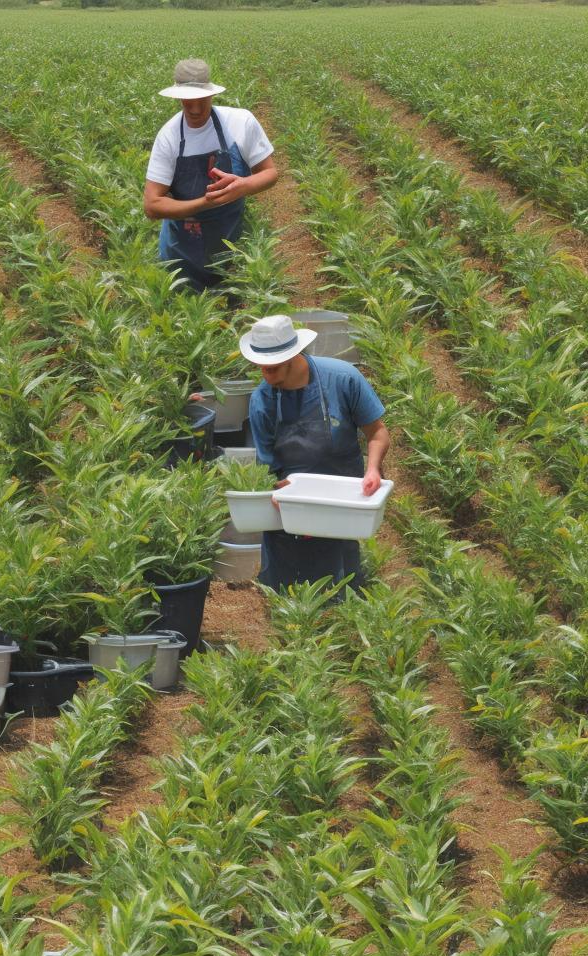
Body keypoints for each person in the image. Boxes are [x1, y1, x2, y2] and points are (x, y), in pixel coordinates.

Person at [242, 314, 390, 592]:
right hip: (288, 513)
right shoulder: (262, 401)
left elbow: (378, 433)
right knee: (287, 596)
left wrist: (373, 469)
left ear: (293, 356)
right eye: (260, 367)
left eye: (272, 369)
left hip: (341, 504)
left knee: (341, 589)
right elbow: (267, 469)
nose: (265, 376)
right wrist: (286, 496)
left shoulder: (342, 379)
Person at [144, 58, 278, 292]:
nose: (195, 109)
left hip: (231, 245)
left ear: (211, 94)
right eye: (188, 101)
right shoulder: (169, 137)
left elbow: (270, 173)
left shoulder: (240, 122)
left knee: (236, 307)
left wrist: (243, 186)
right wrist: (204, 203)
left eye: (201, 100)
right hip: (181, 254)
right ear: (177, 97)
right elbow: (152, 205)